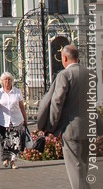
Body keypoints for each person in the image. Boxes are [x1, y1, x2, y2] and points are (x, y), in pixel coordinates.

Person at [37, 44, 88, 189]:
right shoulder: (90, 74)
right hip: (88, 128)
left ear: (64, 58)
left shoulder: (64, 75)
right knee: (85, 168)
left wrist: (51, 127)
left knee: (75, 169)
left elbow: (57, 102)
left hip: (70, 129)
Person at [0, 72, 28, 168]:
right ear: (2, 82)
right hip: (3, 121)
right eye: (5, 80)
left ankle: (13, 161)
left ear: (12, 81)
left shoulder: (17, 92)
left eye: (9, 79)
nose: (7, 81)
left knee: (15, 141)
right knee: (5, 141)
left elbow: (21, 107)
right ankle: (6, 159)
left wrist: (25, 119)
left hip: (16, 120)